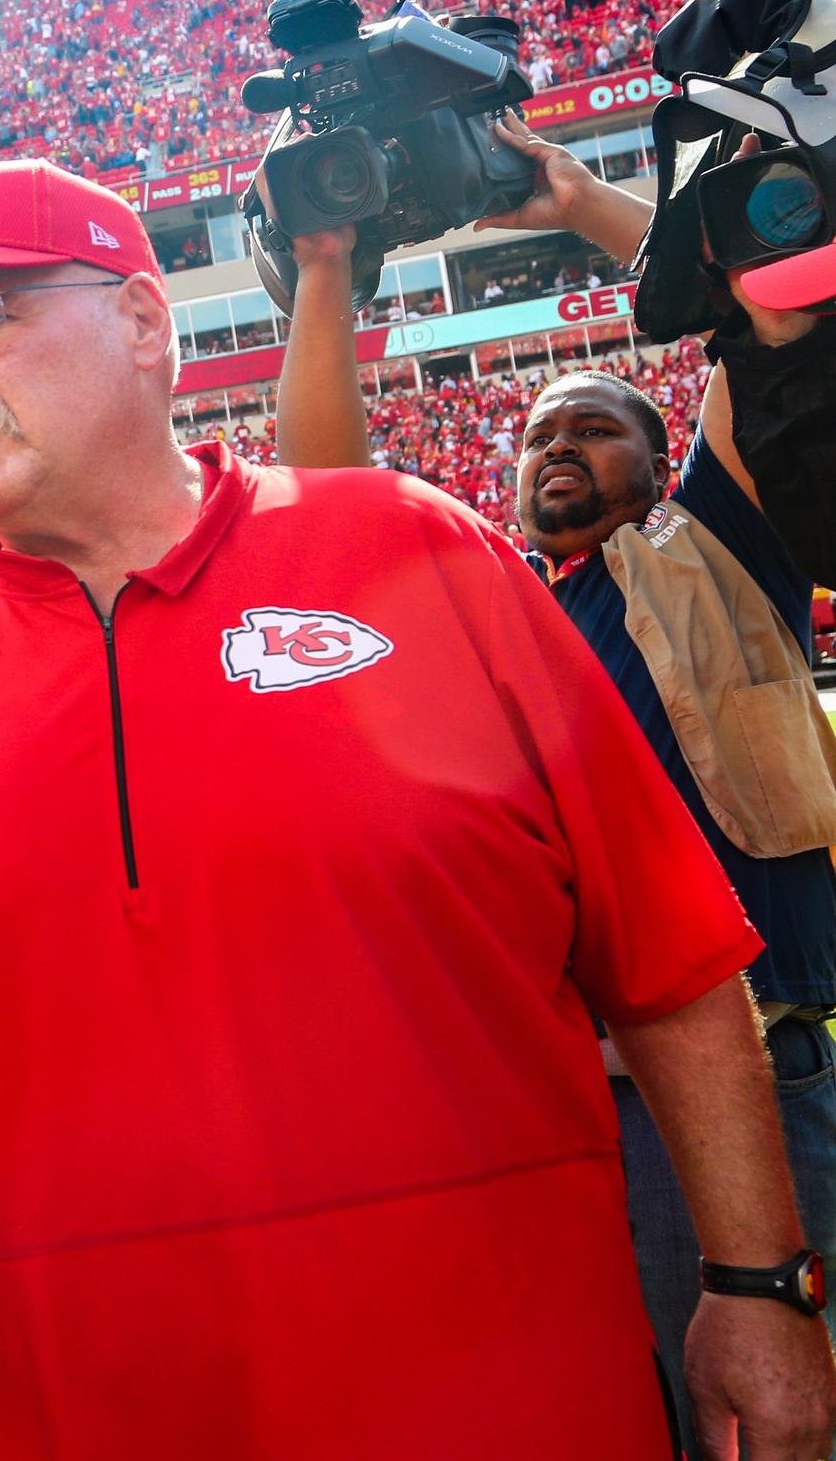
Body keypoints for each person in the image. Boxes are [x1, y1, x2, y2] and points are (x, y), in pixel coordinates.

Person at [0, 156, 836, 1460]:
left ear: (144, 321)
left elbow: (668, 956)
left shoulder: (416, 555)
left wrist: (761, 1281)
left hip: (505, 1408)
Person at [280, 112, 836, 1456]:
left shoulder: (716, 547)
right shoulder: (492, 613)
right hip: (568, 1093)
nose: (558, 446)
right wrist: (324, 267)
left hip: (762, 1078)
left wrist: (585, 201)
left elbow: (760, 329)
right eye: (537, 435)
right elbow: (324, 491)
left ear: (663, 461)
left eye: (596, 426)